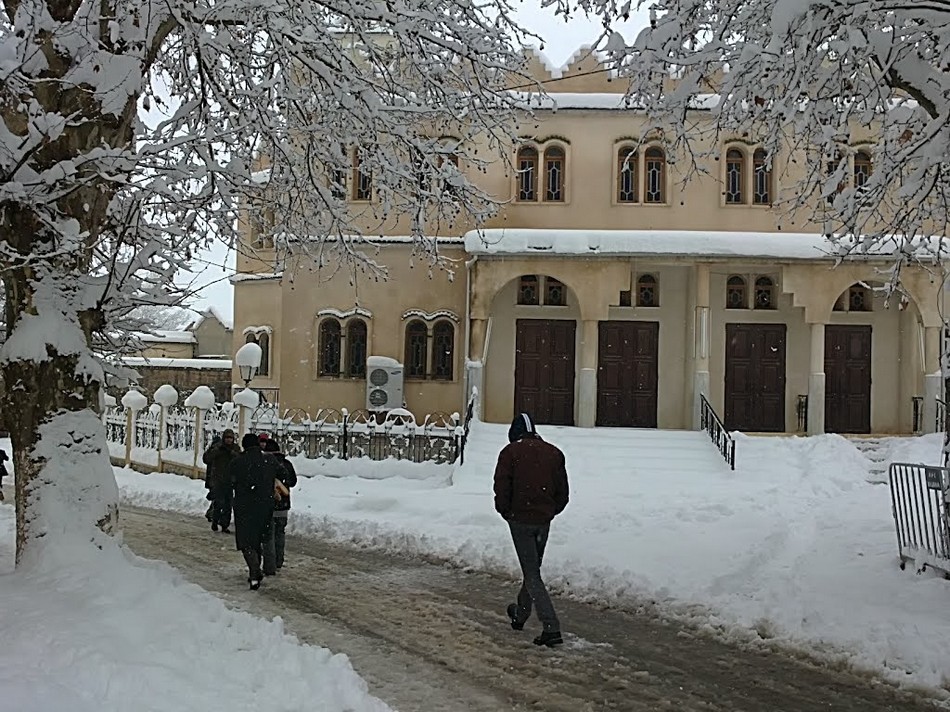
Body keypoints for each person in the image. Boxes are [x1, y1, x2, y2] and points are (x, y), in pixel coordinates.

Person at [493, 412, 569, 647]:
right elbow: (562, 492)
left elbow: (502, 485)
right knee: (532, 568)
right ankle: (520, 615)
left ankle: (551, 626)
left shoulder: (510, 453)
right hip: (543, 520)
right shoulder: (553, 453)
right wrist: (549, 511)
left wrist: (506, 511)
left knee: (532, 573)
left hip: (520, 520)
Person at [228, 433, 280, 590]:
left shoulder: (237, 462)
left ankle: (254, 570)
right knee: (259, 538)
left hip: (244, 507)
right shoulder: (269, 460)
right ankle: (258, 568)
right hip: (265, 506)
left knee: (246, 541)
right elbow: (285, 475)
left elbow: (229, 481)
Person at [262, 437, 297, 572]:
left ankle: (270, 564)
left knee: (268, 535)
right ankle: (279, 560)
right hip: (283, 504)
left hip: (268, 504)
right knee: (280, 533)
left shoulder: (265, 464)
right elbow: (293, 482)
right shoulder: (286, 464)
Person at [202, 430, 239, 533]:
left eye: (230, 438)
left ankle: (224, 525)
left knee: (228, 505)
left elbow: (240, 460)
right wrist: (217, 450)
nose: (228, 440)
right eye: (227, 438)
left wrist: (232, 453)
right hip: (218, 480)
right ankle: (215, 521)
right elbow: (207, 458)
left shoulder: (235, 449)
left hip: (230, 481)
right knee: (218, 503)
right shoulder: (217, 447)